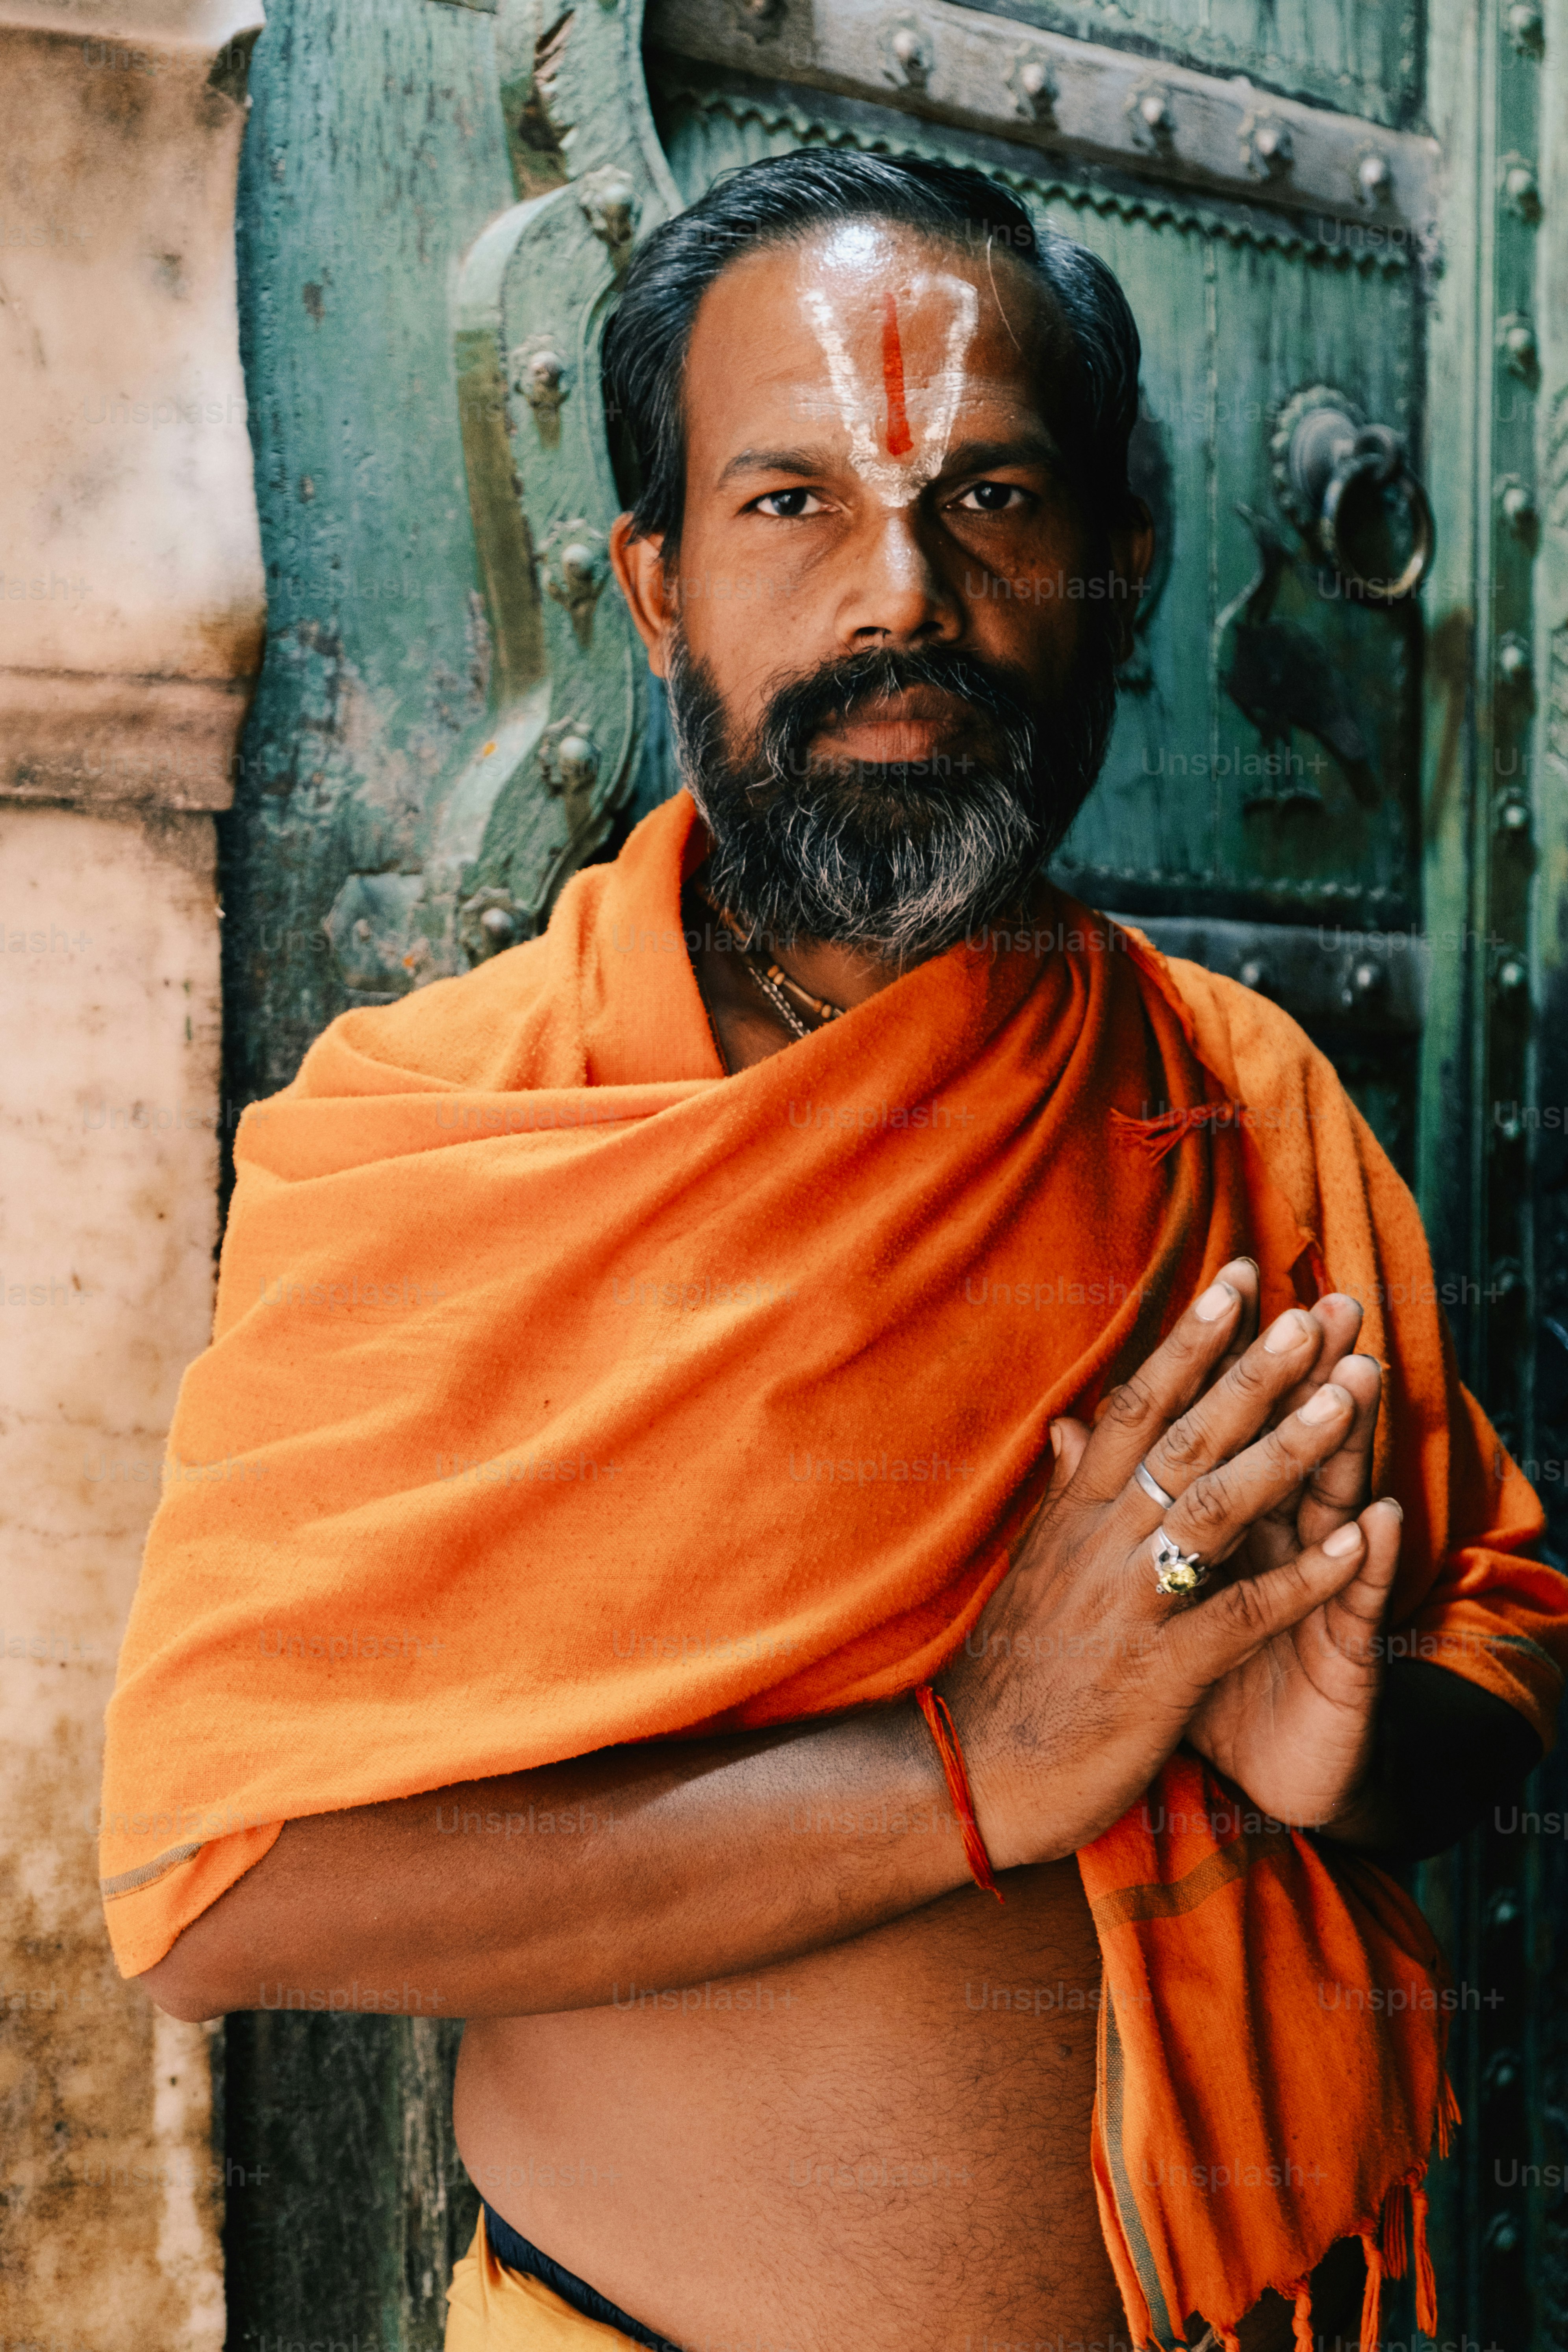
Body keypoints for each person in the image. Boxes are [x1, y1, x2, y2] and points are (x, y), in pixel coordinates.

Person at [104, 152, 1567, 2352]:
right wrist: (970, 1762)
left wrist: (1336, 1749)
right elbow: (232, 1888)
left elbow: (1492, 1668)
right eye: (793, 502)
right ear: (658, 582)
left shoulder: (1238, 1097)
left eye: (989, 502)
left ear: (1115, 571)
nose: (903, 593)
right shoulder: (446, 1131)